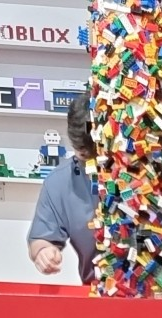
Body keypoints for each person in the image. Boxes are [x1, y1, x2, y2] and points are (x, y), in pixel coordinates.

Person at [27, 92, 96, 283]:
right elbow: (41, 240)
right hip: (97, 290)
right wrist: (43, 252)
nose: (96, 166)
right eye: (85, 157)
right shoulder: (59, 181)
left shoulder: (150, 171)